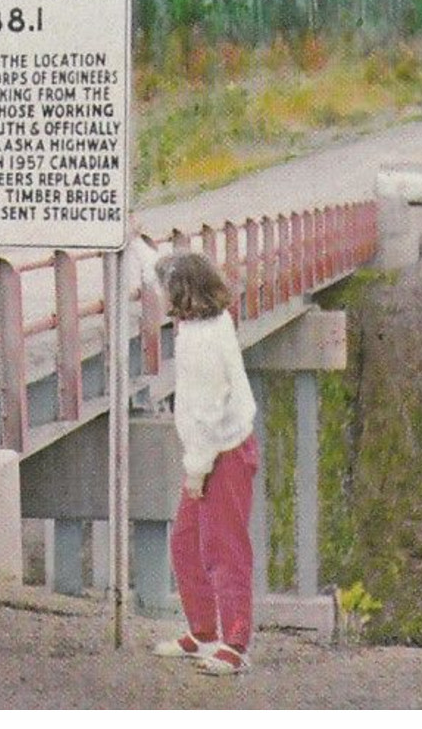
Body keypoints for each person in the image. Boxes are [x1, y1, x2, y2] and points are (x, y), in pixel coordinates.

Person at [134, 236, 260, 675]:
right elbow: (157, 271)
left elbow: (206, 417)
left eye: (168, 288)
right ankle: (204, 631)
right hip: (214, 450)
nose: (160, 294)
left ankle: (235, 644)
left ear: (183, 294)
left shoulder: (204, 343)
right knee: (185, 541)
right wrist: (132, 238)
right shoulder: (208, 319)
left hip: (222, 453)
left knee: (224, 548)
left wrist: (196, 473)